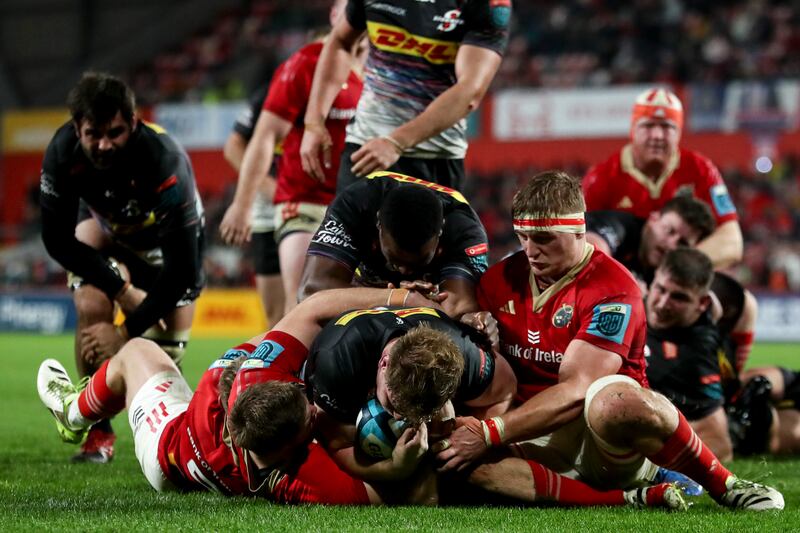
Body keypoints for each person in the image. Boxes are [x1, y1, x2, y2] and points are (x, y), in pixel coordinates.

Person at [435, 171, 783, 511]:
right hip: (527, 432)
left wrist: (491, 432)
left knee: (611, 401)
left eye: (544, 239)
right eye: (523, 237)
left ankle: (726, 484)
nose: (531, 251)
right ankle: (630, 500)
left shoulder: (614, 287)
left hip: (604, 439)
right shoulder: (500, 279)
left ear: (579, 231)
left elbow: (577, 390)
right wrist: (467, 318)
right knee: (454, 457)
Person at [37, 287, 442, 504]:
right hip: (166, 455)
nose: (317, 409)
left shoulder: (257, 376)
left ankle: (75, 409)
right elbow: (385, 497)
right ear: (290, 451)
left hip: (185, 427)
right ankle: (73, 414)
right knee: (137, 353)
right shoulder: (300, 478)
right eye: (309, 418)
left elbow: (313, 306)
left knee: (139, 351)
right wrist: (397, 468)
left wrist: (399, 298)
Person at [39, 72, 205, 464]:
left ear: (133, 122)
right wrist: (120, 290)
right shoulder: (62, 153)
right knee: (91, 310)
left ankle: (141, 421)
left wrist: (126, 331)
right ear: (75, 127)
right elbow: (58, 241)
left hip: (167, 251)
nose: (103, 144)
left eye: (114, 132)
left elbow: (182, 270)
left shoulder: (164, 160)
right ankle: (97, 433)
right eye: (92, 133)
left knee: (163, 356)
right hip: (105, 232)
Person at [220, 0, 365, 316]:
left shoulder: (382, 72)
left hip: (356, 206)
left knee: (344, 313)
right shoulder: (305, 64)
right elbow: (260, 137)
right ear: (334, 16)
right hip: (304, 203)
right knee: (300, 309)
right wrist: (243, 203)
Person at [300, 0, 511, 192]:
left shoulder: (489, 5)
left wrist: (395, 142)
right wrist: (314, 122)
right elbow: (340, 42)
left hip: (435, 157)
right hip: (365, 148)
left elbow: (470, 91)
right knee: (348, 234)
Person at [305, 305, 516, 481]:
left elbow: (505, 390)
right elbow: (338, 446)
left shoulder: (466, 354)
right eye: (394, 402)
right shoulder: (337, 362)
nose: (398, 417)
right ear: (383, 363)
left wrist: (476, 434)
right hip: (336, 368)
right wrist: (395, 468)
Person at [586, 196, 759, 390]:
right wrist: (627, 286)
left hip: (624, 338)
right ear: (653, 219)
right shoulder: (620, 226)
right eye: (669, 231)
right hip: (564, 315)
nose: (671, 244)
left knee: (745, 305)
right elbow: (591, 254)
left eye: (682, 242)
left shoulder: (667, 270)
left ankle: (723, 387)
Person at [644, 248, 800, 459]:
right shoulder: (692, 358)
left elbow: (747, 304)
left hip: (731, 394)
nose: (663, 304)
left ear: (703, 304)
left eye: (678, 298)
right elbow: (719, 440)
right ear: (652, 282)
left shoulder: (721, 308)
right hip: (741, 419)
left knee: (760, 383)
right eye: (660, 289)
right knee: (767, 417)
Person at [582, 88, 743, 268]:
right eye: (648, 126)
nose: (657, 136)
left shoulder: (701, 170)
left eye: (667, 127)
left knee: (744, 297)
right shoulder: (601, 177)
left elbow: (732, 242)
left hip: (678, 274)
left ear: (679, 133)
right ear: (633, 130)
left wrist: (677, 267)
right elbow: (583, 239)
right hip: (622, 271)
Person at [299, 171, 489, 318]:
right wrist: (400, 298)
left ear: (440, 233)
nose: (404, 272)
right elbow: (310, 292)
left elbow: (459, 310)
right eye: (394, 261)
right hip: (370, 301)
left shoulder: (464, 229)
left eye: (418, 262)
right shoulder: (356, 204)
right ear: (378, 227)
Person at [221, 84, 285, 326]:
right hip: (268, 212)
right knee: (276, 316)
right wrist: (265, 186)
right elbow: (233, 146)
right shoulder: (272, 94)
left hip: (314, 206)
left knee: (308, 303)